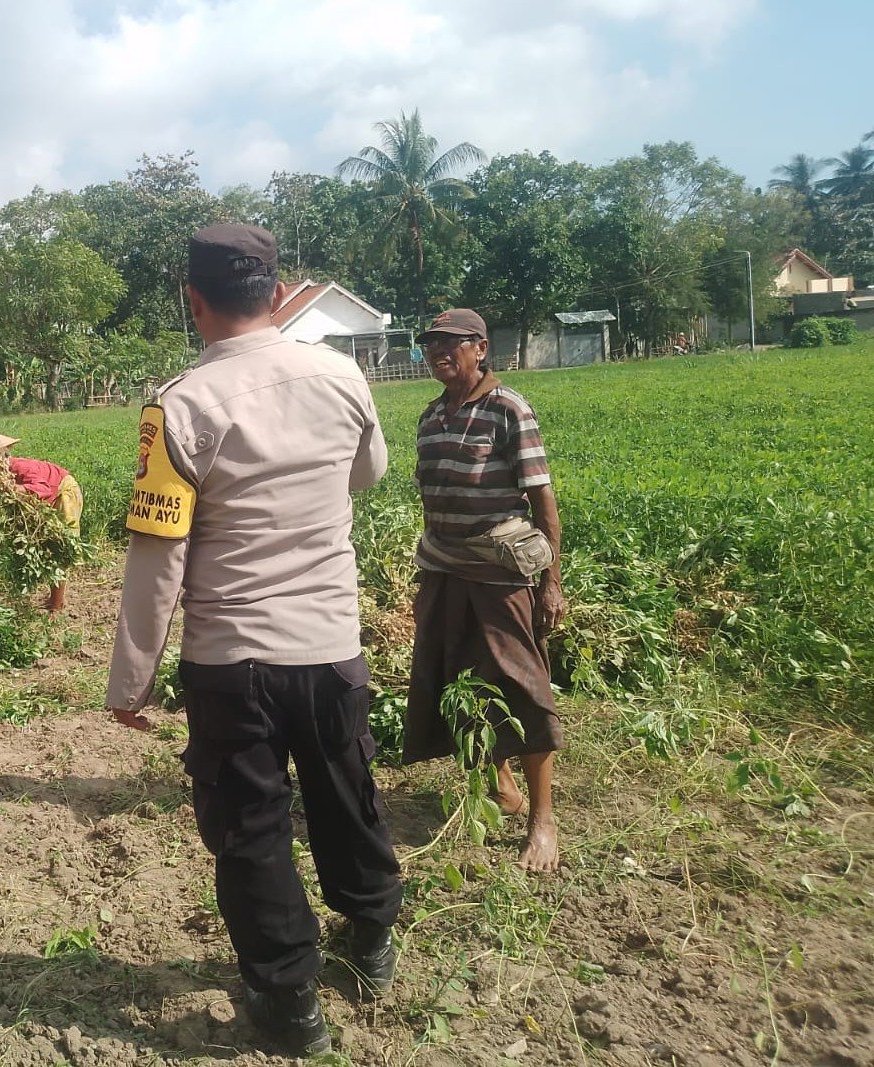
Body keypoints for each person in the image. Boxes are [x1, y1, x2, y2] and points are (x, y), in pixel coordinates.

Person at [105, 224, 402, 1058]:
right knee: (346, 792)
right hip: (331, 644)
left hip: (232, 661)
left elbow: (158, 556)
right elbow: (367, 472)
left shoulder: (181, 405)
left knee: (250, 826)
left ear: (193, 302)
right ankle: (373, 937)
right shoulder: (344, 375)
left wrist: (132, 677)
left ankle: (287, 1001)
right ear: (276, 295)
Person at [402, 308, 566, 873]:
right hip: (444, 569)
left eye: (452, 344)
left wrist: (551, 584)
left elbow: (542, 500)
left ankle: (541, 821)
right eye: (432, 345)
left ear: (480, 348)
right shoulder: (430, 416)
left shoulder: (508, 409)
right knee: (456, 680)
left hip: (499, 573)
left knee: (522, 686)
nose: (439, 353)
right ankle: (499, 787)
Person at [0, 430, 84, 612]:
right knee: (43, 546)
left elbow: (41, 490)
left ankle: (56, 606)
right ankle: (54, 597)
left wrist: (12, 487)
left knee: (59, 549)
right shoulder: (1, 479)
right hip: (45, 501)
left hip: (64, 493)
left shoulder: (21, 468)